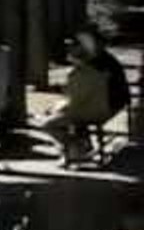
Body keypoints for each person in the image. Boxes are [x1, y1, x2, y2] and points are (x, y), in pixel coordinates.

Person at [43, 31, 123, 160]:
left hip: (100, 107)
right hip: (106, 103)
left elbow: (77, 100)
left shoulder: (85, 72)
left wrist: (58, 108)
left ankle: (76, 147)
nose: (69, 51)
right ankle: (81, 145)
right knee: (61, 114)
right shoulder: (98, 65)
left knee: (48, 124)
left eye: (73, 47)